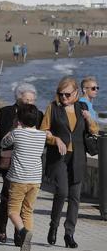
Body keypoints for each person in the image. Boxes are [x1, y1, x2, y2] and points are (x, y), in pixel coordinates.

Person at [40, 76, 99, 248]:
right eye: (61, 94)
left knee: (75, 197)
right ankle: (54, 225)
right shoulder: (53, 107)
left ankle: (69, 234)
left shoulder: (82, 107)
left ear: (76, 93)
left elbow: (94, 130)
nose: (64, 98)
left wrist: (88, 118)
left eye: (67, 94)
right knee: (62, 192)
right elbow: (44, 131)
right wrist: (55, 139)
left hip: (78, 157)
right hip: (59, 157)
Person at [0, 83, 42, 245]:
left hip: (25, 169)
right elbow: (0, 139)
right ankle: (1, 229)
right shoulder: (6, 112)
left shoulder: (37, 114)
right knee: (6, 199)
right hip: (8, 165)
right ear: (18, 98)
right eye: (26, 99)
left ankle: (20, 237)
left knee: (22, 207)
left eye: (32, 100)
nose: (29, 103)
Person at [1, 103, 48, 251]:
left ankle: (23, 232)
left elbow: (3, 143)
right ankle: (26, 244)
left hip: (18, 180)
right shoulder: (42, 135)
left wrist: (15, 128)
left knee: (13, 211)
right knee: (28, 211)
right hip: (35, 180)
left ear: (19, 119)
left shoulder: (17, 133)